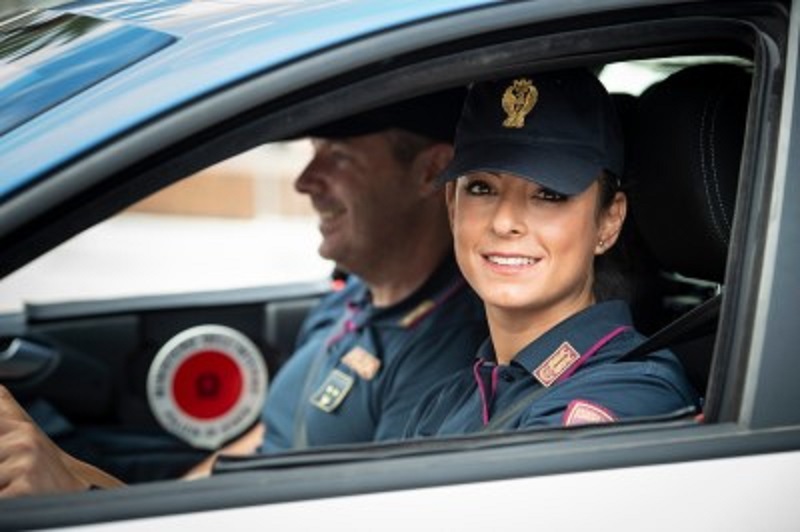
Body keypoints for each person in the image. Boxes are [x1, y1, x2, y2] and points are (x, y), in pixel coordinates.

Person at [0, 89, 489, 496]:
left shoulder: (445, 359)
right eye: (314, 151)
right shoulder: (355, 296)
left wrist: (78, 500)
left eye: (338, 156)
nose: (304, 180)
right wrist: (87, 484)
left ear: (431, 171)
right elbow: (258, 446)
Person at [402, 69, 699, 437]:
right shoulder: (446, 401)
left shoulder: (628, 396)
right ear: (452, 205)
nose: (505, 221)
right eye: (482, 188)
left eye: (549, 194)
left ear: (609, 221)